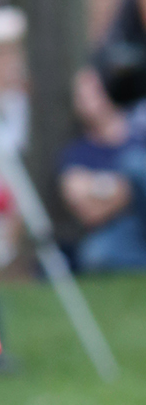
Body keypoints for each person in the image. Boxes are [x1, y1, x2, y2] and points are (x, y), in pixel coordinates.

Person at [58, 66, 146, 272]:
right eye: (80, 96)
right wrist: (131, 188)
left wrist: (102, 186)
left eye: (93, 91)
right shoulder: (77, 153)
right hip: (122, 228)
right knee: (95, 255)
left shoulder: (139, 132)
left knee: (133, 163)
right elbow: (89, 212)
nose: (87, 101)